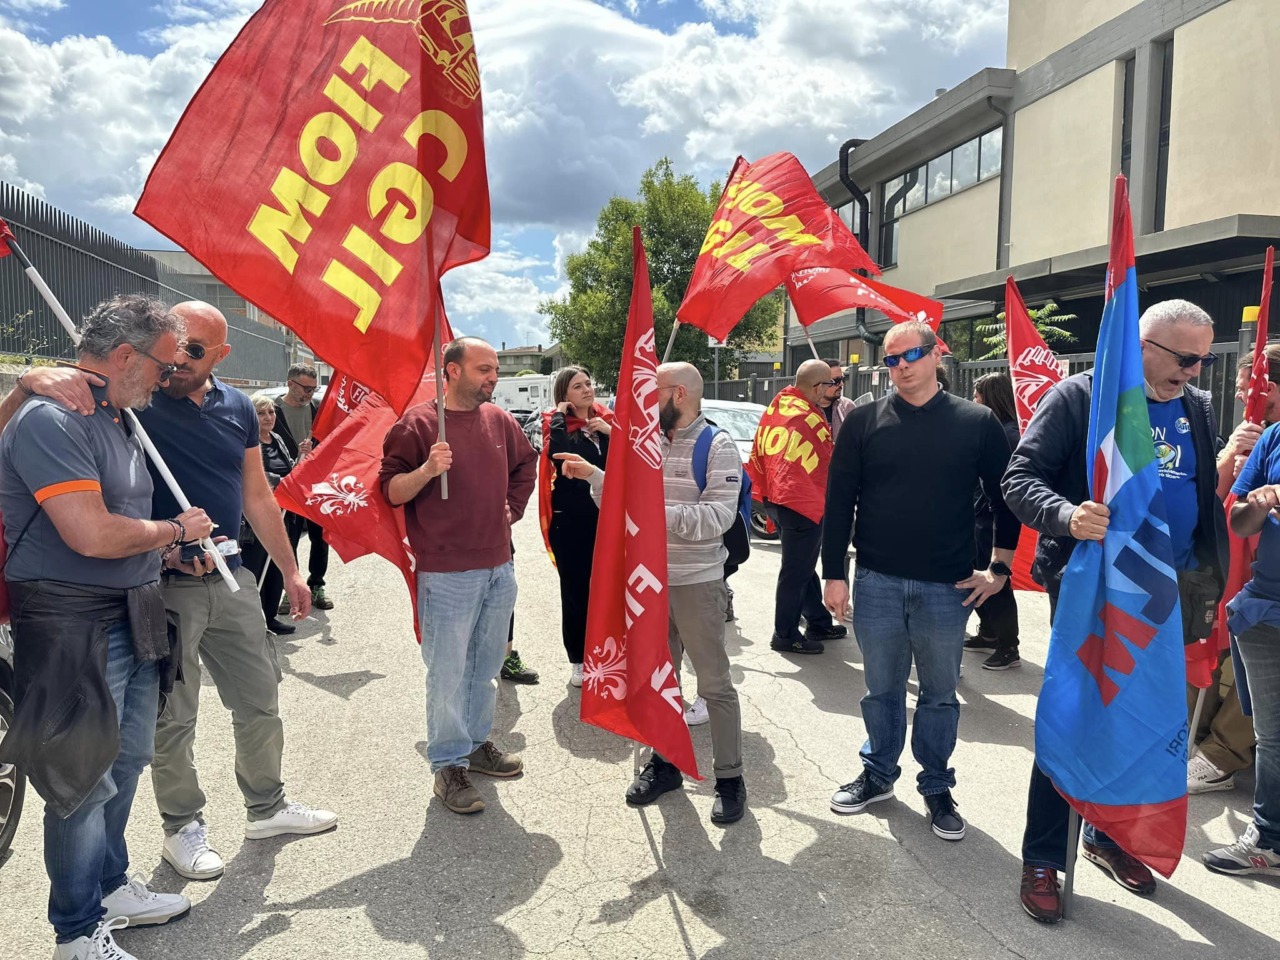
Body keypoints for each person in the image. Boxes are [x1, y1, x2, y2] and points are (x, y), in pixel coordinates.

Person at [0, 295, 212, 960]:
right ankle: (76, 930)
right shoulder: (52, 418)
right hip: (71, 620)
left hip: (133, 608)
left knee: (127, 758)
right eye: (164, 367)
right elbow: (90, 534)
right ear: (125, 356)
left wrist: (166, 554)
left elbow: (118, 526)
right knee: (80, 779)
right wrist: (175, 530)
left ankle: (111, 888)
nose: (168, 378)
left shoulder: (119, 418)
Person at [1003, 299, 1228, 921]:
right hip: (1095, 595)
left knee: (1143, 721)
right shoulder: (1080, 398)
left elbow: (1195, 492)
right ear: (1142, 345)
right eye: (1184, 358)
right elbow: (1019, 480)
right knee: (1075, 717)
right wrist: (1067, 515)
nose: (1194, 372)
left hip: (1168, 595)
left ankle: (1109, 835)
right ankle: (1044, 856)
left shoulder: (1196, 407)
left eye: (1204, 360)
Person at [140, 301, 337, 880]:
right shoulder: (136, 399)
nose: (178, 357)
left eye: (194, 349)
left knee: (259, 699)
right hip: (163, 583)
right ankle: (181, 827)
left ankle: (267, 807)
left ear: (221, 355)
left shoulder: (238, 409)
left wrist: (292, 571)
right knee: (174, 715)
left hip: (232, 579)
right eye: (172, 342)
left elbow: (256, 495)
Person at [821, 321, 1018, 843]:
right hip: (877, 581)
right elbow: (839, 501)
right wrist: (834, 574)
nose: (901, 366)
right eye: (891, 359)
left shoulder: (976, 422)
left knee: (939, 695)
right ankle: (878, 774)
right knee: (881, 690)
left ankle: (936, 786)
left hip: (947, 587)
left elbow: (1006, 498)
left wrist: (999, 568)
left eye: (911, 355)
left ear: (935, 356)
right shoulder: (863, 422)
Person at [557, 362, 748, 825]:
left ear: (678, 394)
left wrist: (650, 509)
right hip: (648, 582)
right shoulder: (646, 444)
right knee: (658, 679)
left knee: (714, 685)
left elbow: (717, 518)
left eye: (652, 392)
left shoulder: (717, 445)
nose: (643, 401)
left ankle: (729, 779)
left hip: (697, 583)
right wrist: (596, 477)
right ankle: (664, 765)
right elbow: (617, 503)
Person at [380, 336, 536, 815]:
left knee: (484, 668)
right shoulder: (418, 424)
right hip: (446, 572)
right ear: (451, 371)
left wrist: (512, 509)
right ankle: (447, 765)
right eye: (484, 369)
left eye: (495, 370)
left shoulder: (500, 420)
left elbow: (526, 465)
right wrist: (428, 469)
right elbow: (391, 491)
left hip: (499, 566)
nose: (493, 378)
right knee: (447, 672)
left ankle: (474, 743)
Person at [1186, 347, 1279, 794]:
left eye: (1250, 389)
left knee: (1261, 673)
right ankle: (1194, 736)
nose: (1243, 397)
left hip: (1262, 576)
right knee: (1212, 647)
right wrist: (1230, 457)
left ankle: (1223, 754)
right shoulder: (1263, 437)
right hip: (1233, 565)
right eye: (1244, 389)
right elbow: (1217, 499)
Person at [1207, 420, 1280, 877]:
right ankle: (1269, 840)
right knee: (1272, 737)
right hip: (1265, 611)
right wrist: (1260, 503)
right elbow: (1237, 519)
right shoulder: (1274, 437)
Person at [749, 359, 843, 655]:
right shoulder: (807, 416)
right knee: (795, 571)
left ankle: (818, 621)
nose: (832, 389)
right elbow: (828, 460)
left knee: (802, 564)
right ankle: (785, 633)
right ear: (817, 386)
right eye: (830, 383)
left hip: (775, 497)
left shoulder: (780, 406)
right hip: (800, 502)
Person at [542, 365, 612, 686]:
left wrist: (611, 431)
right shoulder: (557, 425)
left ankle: (609, 653)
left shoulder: (606, 423)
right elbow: (558, 454)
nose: (587, 389)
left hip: (607, 519)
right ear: (565, 395)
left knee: (608, 590)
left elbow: (631, 459)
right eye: (578, 386)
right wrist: (559, 414)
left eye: (588, 383)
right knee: (576, 592)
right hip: (571, 523)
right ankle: (579, 660)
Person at [965, 372, 1023, 670]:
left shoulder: (1007, 434)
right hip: (981, 515)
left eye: (977, 396)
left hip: (994, 519)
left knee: (997, 580)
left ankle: (1008, 646)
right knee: (978, 577)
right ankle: (988, 632)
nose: (973, 401)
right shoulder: (994, 429)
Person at [273, 363, 334, 611]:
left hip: (316, 485)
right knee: (289, 538)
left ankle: (317, 584)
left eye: (313, 388)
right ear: (290, 384)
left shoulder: (319, 411)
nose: (310, 393)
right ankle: (291, 588)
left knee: (320, 537)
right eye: (306, 388)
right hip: (287, 486)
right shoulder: (273, 411)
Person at [241, 395, 297, 636]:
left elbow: (290, 469)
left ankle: (271, 617)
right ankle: (252, 622)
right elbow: (250, 474)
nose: (268, 418)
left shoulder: (277, 439)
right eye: (261, 413)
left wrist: (301, 460)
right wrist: (280, 481)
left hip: (282, 514)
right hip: (257, 518)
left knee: (276, 568)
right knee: (255, 569)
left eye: (271, 412)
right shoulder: (248, 442)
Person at [816, 358, 856, 442]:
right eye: (837, 381)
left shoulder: (848, 407)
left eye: (842, 379)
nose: (841, 384)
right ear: (820, 384)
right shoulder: (805, 409)